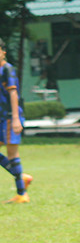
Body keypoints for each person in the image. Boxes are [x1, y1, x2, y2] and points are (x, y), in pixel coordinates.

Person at [0, 38, 32, 204]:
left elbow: (13, 94)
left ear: (3, 52)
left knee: (12, 154)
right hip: (0, 118)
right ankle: (21, 176)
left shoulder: (7, 69)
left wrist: (15, 119)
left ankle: (22, 194)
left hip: (9, 118)